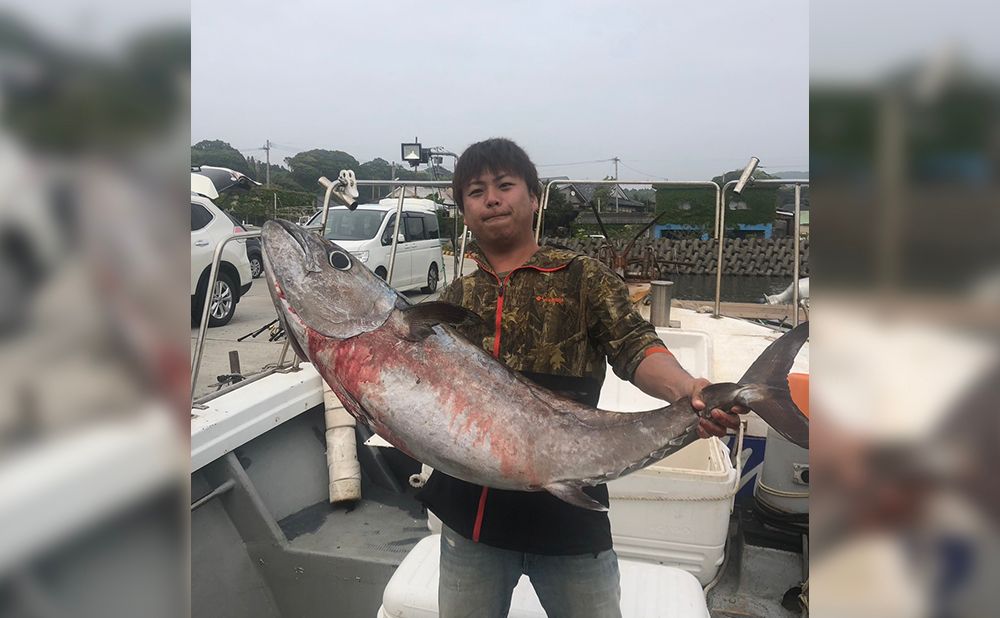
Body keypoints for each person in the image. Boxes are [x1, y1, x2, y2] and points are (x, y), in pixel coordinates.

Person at [417, 138, 745, 618]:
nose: (492, 198)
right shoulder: (452, 296)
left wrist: (687, 389)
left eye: (505, 186)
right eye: (475, 191)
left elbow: (635, 347)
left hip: (570, 514)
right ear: (463, 210)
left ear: (534, 198)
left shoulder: (581, 277)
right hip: (470, 522)